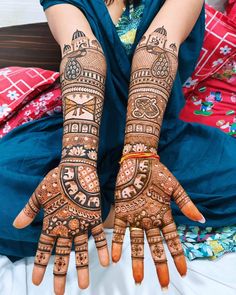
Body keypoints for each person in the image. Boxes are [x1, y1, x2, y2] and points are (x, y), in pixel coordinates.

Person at [2, 0, 234, 295]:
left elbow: (158, 47)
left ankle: (103, 207)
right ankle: (112, 209)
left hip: (162, 144)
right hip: (79, 137)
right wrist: (76, 161)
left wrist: (140, 154)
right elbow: (81, 52)